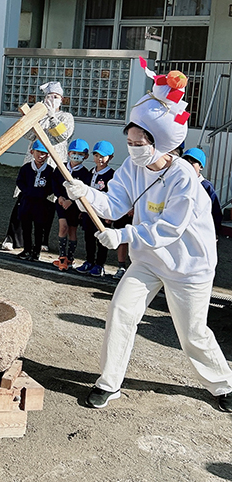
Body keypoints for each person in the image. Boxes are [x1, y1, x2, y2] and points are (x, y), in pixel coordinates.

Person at [64, 64, 232, 412]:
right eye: (130, 143)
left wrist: (123, 234)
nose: (134, 149)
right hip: (149, 261)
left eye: (139, 144)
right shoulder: (131, 167)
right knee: (120, 312)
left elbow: (168, 229)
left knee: (192, 334)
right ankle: (109, 383)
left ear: (159, 144)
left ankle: (223, 384)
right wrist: (85, 193)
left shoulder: (184, 178)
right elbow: (114, 202)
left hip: (189, 266)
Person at [2, 81, 74, 252]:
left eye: (55, 97)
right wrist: (35, 117)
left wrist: (51, 117)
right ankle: (12, 238)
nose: (52, 100)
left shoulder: (66, 117)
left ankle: (42, 241)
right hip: (33, 163)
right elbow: (28, 134)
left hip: (53, 164)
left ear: (61, 100)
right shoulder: (37, 116)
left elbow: (62, 135)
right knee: (24, 199)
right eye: (49, 97)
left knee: (48, 202)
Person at [75, 141, 116, 277]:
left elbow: (113, 195)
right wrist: (82, 211)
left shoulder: (112, 175)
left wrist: (109, 215)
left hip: (102, 214)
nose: (99, 159)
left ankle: (99, 265)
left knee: (102, 240)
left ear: (110, 157)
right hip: (88, 213)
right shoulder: (89, 173)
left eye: (103, 156)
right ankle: (89, 261)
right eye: (96, 155)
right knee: (89, 238)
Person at [51, 138, 92, 271]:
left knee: (73, 230)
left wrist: (72, 201)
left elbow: (84, 191)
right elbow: (55, 183)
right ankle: (62, 257)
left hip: (75, 206)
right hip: (61, 203)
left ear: (85, 156)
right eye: (74, 152)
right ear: (68, 153)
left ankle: (70, 258)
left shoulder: (85, 173)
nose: (76, 155)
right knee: (63, 227)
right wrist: (60, 197)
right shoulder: (61, 168)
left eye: (80, 154)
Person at [15, 140, 54, 261]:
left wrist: (42, 193)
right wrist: (27, 191)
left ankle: (36, 252)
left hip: (41, 204)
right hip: (27, 202)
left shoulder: (49, 170)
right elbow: (19, 181)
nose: (40, 155)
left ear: (47, 155)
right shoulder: (26, 168)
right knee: (26, 227)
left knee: (39, 228)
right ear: (32, 152)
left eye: (43, 153)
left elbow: (51, 186)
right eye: (38, 152)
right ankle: (27, 249)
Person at [183, 147, 223, 238]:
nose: (188, 165)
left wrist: (214, 232)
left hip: (200, 230)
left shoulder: (206, 186)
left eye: (192, 162)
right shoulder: (179, 181)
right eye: (186, 162)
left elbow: (215, 210)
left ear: (201, 166)